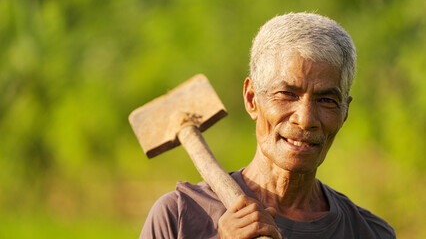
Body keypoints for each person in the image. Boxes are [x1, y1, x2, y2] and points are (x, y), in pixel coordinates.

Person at [140, 12, 396, 239]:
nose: (305, 119)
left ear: (345, 112)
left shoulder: (371, 233)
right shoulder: (178, 218)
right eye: (287, 94)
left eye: (327, 100)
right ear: (252, 99)